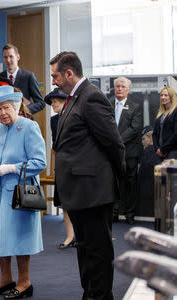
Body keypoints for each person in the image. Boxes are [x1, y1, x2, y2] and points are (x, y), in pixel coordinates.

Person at [49, 51, 125, 300]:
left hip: (93, 192)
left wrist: (116, 182)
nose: (53, 82)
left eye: (55, 76)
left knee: (98, 252)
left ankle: (100, 296)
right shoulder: (74, 98)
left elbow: (114, 144)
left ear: (69, 73)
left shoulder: (91, 97)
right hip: (80, 193)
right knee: (85, 250)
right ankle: (90, 294)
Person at [0, 85, 46, 299]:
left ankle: (25, 282)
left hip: (20, 194)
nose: (2, 113)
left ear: (16, 106)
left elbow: (40, 162)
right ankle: (6, 279)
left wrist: (13, 168)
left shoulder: (28, 127)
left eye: (6, 107)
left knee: (19, 239)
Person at [44, 88, 75, 249]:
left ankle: (81, 235)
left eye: (55, 101)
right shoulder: (54, 120)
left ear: (65, 102)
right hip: (62, 164)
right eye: (51, 102)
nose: (53, 104)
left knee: (78, 202)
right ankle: (70, 236)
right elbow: (55, 144)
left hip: (77, 165)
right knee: (64, 203)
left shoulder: (76, 117)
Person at [111, 76, 143, 225]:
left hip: (130, 152)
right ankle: (114, 213)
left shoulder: (135, 106)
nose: (119, 89)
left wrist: (118, 141)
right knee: (114, 183)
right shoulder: (108, 105)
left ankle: (130, 214)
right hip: (112, 153)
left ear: (128, 90)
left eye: (123, 86)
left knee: (130, 184)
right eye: (117, 86)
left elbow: (135, 128)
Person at [0, 44, 45, 116]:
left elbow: (40, 103)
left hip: (24, 120)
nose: (8, 60)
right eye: (5, 57)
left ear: (18, 57)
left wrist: (23, 111)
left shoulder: (28, 76)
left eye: (11, 56)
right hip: (4, 120)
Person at [137, 126, 161, 218]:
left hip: (148, 195)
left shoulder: (150, 152)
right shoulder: (154, 152)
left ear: (150, 138)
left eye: (144, 139)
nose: (142, 142)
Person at [153, 85, 177, 160]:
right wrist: (157, 149)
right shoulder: (160, 113)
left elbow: (176, 134)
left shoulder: (175, 111)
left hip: (172, 151)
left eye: (166, 95)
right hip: (160, 153)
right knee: (161, 172)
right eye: (161, 95)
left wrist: (163, 149)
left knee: (169, 172)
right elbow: (155, 134)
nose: (163, 97)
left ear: (171, 97)